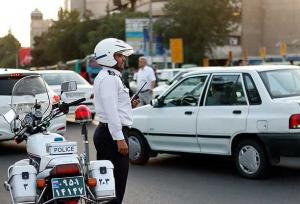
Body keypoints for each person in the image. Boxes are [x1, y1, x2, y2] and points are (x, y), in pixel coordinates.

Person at [92, 38, 139, 204]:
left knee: (107, 186)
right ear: (109, 56)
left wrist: (129, 105)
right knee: (115, 186)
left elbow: (113, 107)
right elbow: (111, 112)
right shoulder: (110, 78)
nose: (123, 59)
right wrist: (120, 139)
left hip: (107, 133)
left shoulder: (108, 76)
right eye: (119, 55)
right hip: (111, 136)